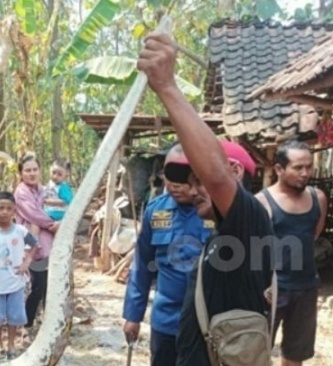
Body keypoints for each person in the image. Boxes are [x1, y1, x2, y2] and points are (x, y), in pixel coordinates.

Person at [137, 32, 275, 365]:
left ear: (234, 173)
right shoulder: (222, 233)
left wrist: (167, 87)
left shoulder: (250, 219)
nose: (195, 189)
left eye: (199, 180)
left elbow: (216, 175)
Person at [122, 144, 215, 366]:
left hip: (205, 323)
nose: (174, 184)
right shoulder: (155, 211)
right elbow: (142, 266)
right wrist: (133, 316)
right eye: (169, 174)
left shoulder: (216, 210)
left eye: (183, 176)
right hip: (165, 320)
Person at [255, 140, 327, 366]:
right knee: (255, 352)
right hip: (271, 290)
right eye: (298, 168)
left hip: (306, 287)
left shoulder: (319, 198)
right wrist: (261, 285)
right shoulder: (262, 202)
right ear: (279, 169)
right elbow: (256, 251)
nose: (305, 173)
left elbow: (314, 234)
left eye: (308, 166)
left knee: (296, 355)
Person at [0, 191, 38, 360]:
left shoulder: (20, 231)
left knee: (14, 315)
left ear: (14, 211)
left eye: (9, 208)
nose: (4, 212)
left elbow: (35, 245)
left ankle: (11, 344)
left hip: (15, 282)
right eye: (1, 208)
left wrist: (26, 263)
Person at [13, 154, 59, 338]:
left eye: (35, 169)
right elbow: (34, 214)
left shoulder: (45, 189)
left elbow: (57, 206)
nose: (32, 173)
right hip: (32, 246)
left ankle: (49, 322)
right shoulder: (21, 192)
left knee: (49, 285)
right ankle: (27, 322)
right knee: (38, 285)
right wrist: (53, 224)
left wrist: (61, 221)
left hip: (50, 243)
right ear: (21, 173)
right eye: (27, 170)